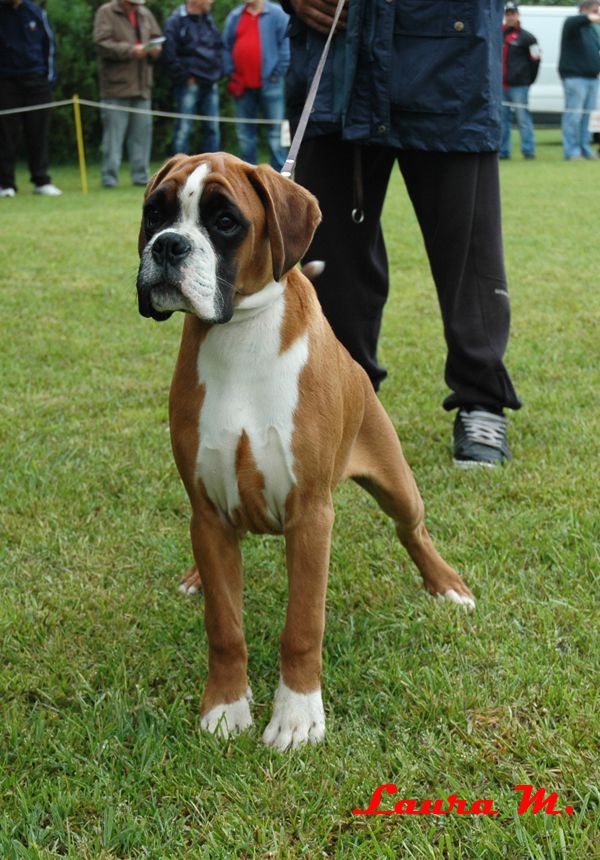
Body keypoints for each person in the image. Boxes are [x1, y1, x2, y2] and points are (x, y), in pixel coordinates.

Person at [283, 0, 522, 468]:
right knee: (333, 255)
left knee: (469, 252)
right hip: (336, 69)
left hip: (451, 65)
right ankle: (344, 402)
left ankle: (482, 400)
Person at [93, 0, 163, 187]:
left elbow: (157, 36)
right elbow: (101, 43)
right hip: (116, 87)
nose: (135, 6)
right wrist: (130, 51)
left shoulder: (145, 13)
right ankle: (109, 178)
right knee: (113, 138)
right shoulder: (106, 12)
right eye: (131, 4)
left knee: (142, 135)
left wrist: (155, 48)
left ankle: (141, 178)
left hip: (142, 86)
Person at [0, 0, 62, 197]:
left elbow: (49, 46)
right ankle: (5, 183)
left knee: (38, 132)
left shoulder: (36, 13)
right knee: (4, 135)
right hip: (5, 82)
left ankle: (41, 180)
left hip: (37, 82)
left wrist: (49, 79)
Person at [223, 0, 289, 170]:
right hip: (242, 87)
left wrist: (276, 74)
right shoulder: (235, 16)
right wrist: (231, 73)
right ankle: (248, 173)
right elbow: (226, 46)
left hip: (271, 84)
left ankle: (280, 174)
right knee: (245, 134)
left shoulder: (277, 14)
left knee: (276, 132)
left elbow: (285, 45)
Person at [163, 0, 224, 155]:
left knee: (212, 128)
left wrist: (218, 73)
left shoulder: (209, 20)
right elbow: (169, 54)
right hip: (189, 84)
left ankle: (213, 170)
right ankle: (178, 170)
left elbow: (218, 47)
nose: (212, 1)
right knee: (183, 128)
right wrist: (184, 76)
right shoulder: (176, 21)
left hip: (210, 82)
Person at [558, 0, 600, 161]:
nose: (598, 13)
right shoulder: (572, 24)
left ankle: (584, 148)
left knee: (587, 118)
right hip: (575, 78)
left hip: (592, 79)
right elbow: (578, 20)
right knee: (573, 117)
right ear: (584, 9)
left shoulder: (591, 31)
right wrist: (593, 17)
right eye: (595, 10)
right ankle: (572, 151)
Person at [500, 2, 541, 161]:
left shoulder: (528, 38)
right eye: (507, 14)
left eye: (512, 13)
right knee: (502, 121)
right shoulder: (498, 34)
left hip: (519, 85)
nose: (510, 17)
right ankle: (503, 152)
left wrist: (529, 80)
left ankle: (528, 151)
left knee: (523, 119)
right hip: (501, 85)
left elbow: (536, 60)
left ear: (517, 15)